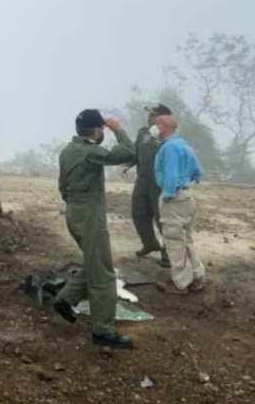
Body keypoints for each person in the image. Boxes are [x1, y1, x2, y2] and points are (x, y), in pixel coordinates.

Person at [49, 109, 136, 348]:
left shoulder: (67, 150)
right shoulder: (90, 152)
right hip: (89, 216)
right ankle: (103, 330)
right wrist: (118, 129)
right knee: (104, 275)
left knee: (95, 263)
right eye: (102, 130)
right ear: (96, 131)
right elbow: (128, 152)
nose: (103, 134)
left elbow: (62, 186)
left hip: (74, 211)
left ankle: (65, 299)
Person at [152, 115, 206, 295]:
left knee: (174, 241)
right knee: (187, 239)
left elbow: (171, 173)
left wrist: (168, 194)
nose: (153, 128)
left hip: (174, 197)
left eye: (156, 124)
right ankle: (197, 276)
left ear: (164, 126)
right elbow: (198, 172)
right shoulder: (184, 145)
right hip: (187, 196)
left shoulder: (169, 147)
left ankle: (181, 283)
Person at [120, 104, 170, 269]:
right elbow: (136, 153)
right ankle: (150, 243)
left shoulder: (169, 136)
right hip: (142, 181)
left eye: (154, 115)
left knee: (162, 218)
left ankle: (168, 253)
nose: (149, 117)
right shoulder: (143, 132)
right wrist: (128, 164)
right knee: (138, 213)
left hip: (160, 183)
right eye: (149, 115)